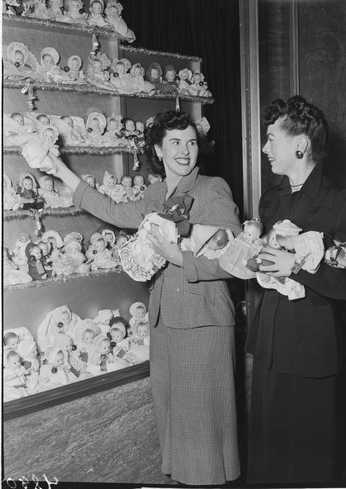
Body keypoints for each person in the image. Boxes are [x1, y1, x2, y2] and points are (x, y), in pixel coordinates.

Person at [44, 108, 242, 485]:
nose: (185, 151)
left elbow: (233, 257)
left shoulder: (212, 188)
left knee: (203, 434)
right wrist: (60, 170)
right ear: (158, 148)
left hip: (203, 322)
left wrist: (178, 256)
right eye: (175, 143)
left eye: (192, 143)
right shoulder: (154, 193)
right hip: (166, 324)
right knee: (176, 426)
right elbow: (113, 210)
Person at [245, 95, 346, 484]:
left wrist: (299, 267)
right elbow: (268, 268)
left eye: (272, 139)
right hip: (269, 344)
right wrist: (250, 258)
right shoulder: (271, 200)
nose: (265, 148)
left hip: (311, 352)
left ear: (300, 144)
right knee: (268, 457)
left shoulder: (345, 203)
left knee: (307, 465)